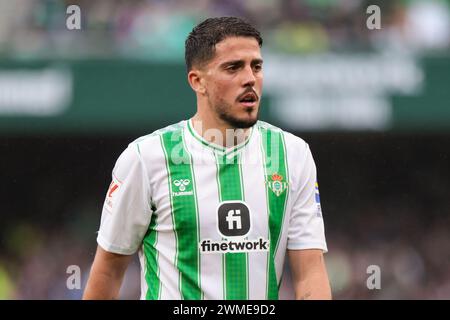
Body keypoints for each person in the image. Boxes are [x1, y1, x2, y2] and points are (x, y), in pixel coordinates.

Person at [83, 16, 331, 300]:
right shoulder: (147, 157)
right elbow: (108, 271)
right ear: (197, 81)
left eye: (256, 66)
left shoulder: (291, 154)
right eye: (233, 68)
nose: (250, 78)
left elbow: (310, 273)